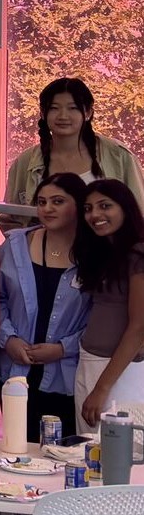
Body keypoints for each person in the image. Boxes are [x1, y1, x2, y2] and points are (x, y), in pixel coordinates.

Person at [0, 174, 90, 441]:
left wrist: (62, 349)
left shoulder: (95, 253)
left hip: (68, 373)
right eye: (42, 202)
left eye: (58, 201)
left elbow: (101, 318)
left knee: (62, 455)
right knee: (18, 449)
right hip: (15, 369)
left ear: (79, 205)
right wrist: (9, 339)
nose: (47, 208)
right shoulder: (14, 244)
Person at [3, 78, 144, 232]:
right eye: (54, 108)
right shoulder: (25, 162)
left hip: (108, 253)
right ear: (43, 113)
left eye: (73, 108)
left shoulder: (118, 155)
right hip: (44, 253)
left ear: (88, 112)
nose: (63, 116)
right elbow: (10, 219)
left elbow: (139, 212)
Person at [73, 178, 144, 428]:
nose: (95, 214)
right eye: (88, 208)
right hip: (88, 363)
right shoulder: (104, 254)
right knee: (89, 453)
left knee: (119, 455)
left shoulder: (139, 254)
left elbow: (138, 329)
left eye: (105, 206)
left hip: (121, 372)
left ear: (125, 207)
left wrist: (102, 388)